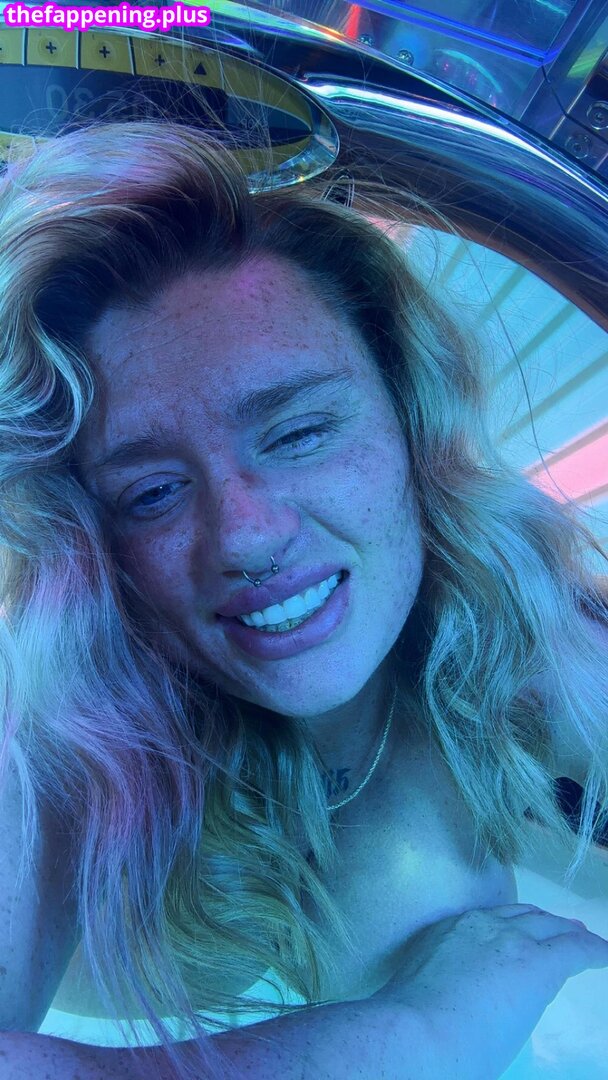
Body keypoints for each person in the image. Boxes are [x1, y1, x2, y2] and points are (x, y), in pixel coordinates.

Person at [0, 115, 607, 1080]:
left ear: (409, 415)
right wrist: (419, 1032)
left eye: (297, 433)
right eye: (151, 493)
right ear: (91, 541)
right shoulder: (54, 733)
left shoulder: (516, 623)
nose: (245, 535)